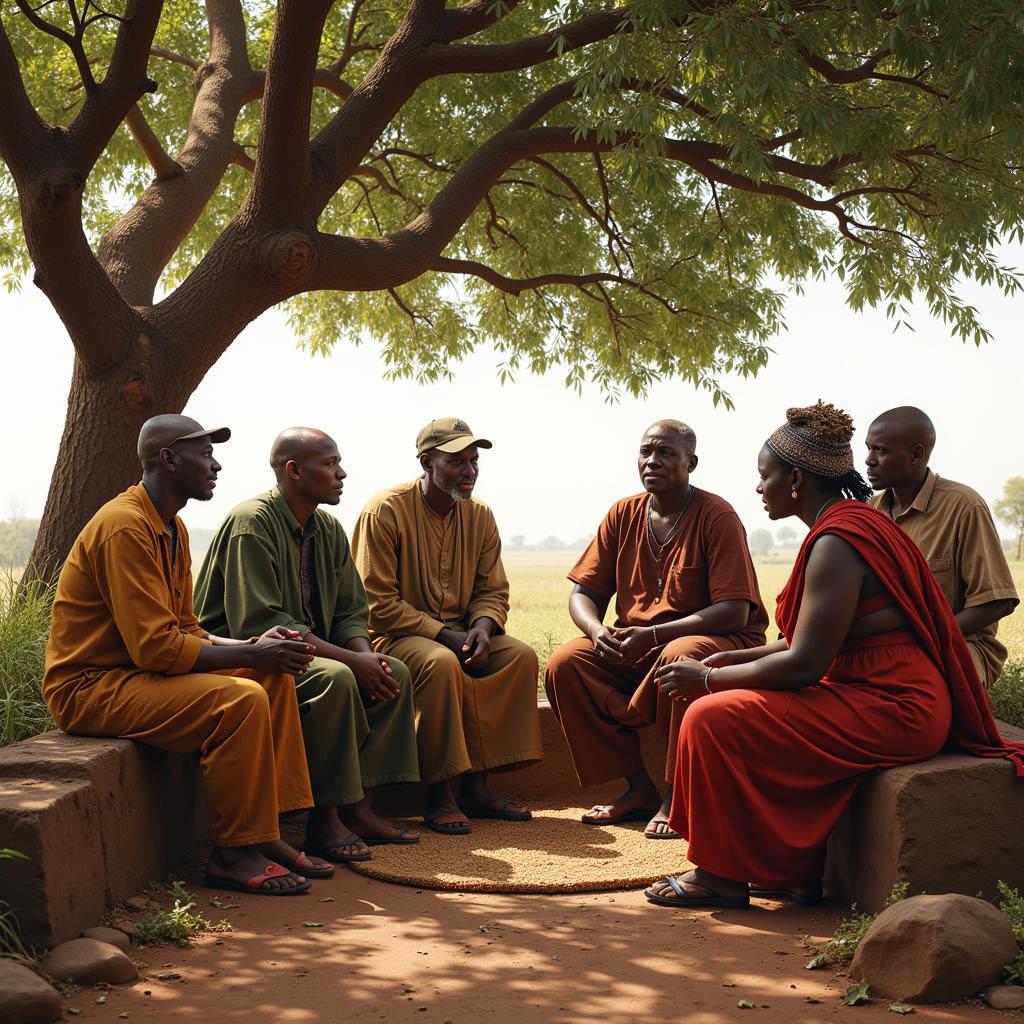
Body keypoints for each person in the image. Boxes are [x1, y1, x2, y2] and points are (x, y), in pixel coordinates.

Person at [642, 402, 1024, 910]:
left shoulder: (838, 540)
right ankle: (786, 870)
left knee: (712, 718)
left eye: (765, 477)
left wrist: (709, 684)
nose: (759, 489)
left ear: (795, 479)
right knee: (727, 710)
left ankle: (720, 876)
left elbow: (806, 663)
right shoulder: (851, 524)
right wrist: (725, 663)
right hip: (874, 690)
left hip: (896, 704)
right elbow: (817, 638)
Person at [44, 415, 327, 895]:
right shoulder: (124, 527)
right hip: (90, 687)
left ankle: (267, 832)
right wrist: (252, 658)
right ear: (168, 459)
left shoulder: (171, 528)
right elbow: (156, 648)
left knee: (272, 677)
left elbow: (187, 629)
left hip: (133, 676)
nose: (215, 465)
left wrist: (255, 648)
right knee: (239, 700)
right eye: (204, 454)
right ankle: (234, 854)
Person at [195, 428, 421, 862]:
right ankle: (324, 819)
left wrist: (364, 655)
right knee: (335, 679)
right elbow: (264, 623)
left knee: (393, 670)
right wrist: (352, 662)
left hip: (307, 651)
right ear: (294, 471)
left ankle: (360, 808)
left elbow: (351, 610)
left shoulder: (328, 529)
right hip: (250, 655)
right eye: (330, 464)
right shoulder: (251, 523)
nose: (342, 473)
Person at [545, 419, 768, 838]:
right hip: (642, 647)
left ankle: (675, 794)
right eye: (647, 452)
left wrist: (653, 635)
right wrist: (596, 631)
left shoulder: (715, 515)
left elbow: (735, 611)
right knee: (566, 662)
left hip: (714, 643)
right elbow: (582, 593)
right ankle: (638, 789)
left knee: (679, 655)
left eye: (667, 453)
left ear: (691, 462)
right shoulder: (623, 513)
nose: (653, 461)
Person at [352, 417, 543, 835]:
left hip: (462, 632)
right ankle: (440, 795)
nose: (469, 471)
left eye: (474, 461)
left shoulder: (480, 515)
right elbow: (376, 603)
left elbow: (493, 589)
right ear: (426, 462)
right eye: (457, 461)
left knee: (520, 657)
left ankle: (477, 787)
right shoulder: (385, 509)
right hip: (396, 636)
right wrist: (445, 634)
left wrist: (482, 628)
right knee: (440, 664)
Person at [865, 406, 1018, 688]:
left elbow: (997, 601)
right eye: (869, 449)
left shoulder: (963, 506)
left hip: (960, 643)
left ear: (916, 455)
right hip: (886, 645)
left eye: (881, 451)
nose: (869, 460)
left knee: (915, 690)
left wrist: (921, 638)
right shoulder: (869, 513)